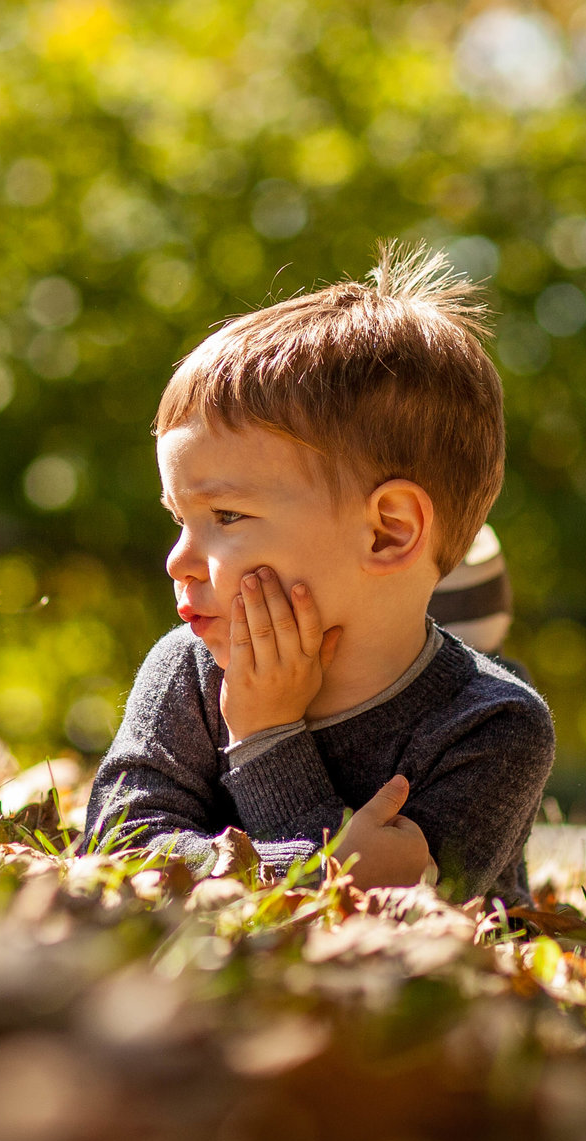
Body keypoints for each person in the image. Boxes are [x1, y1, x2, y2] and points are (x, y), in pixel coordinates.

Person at [81, 245, 554, 900]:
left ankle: (473, 622)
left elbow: (396, 914)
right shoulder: (187, 671)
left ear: (388, 530)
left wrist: (266, 739)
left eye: (226, 515)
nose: (177, 560)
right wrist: (308, 856)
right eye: (179, 519)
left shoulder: (492, 726)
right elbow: (116, 841)